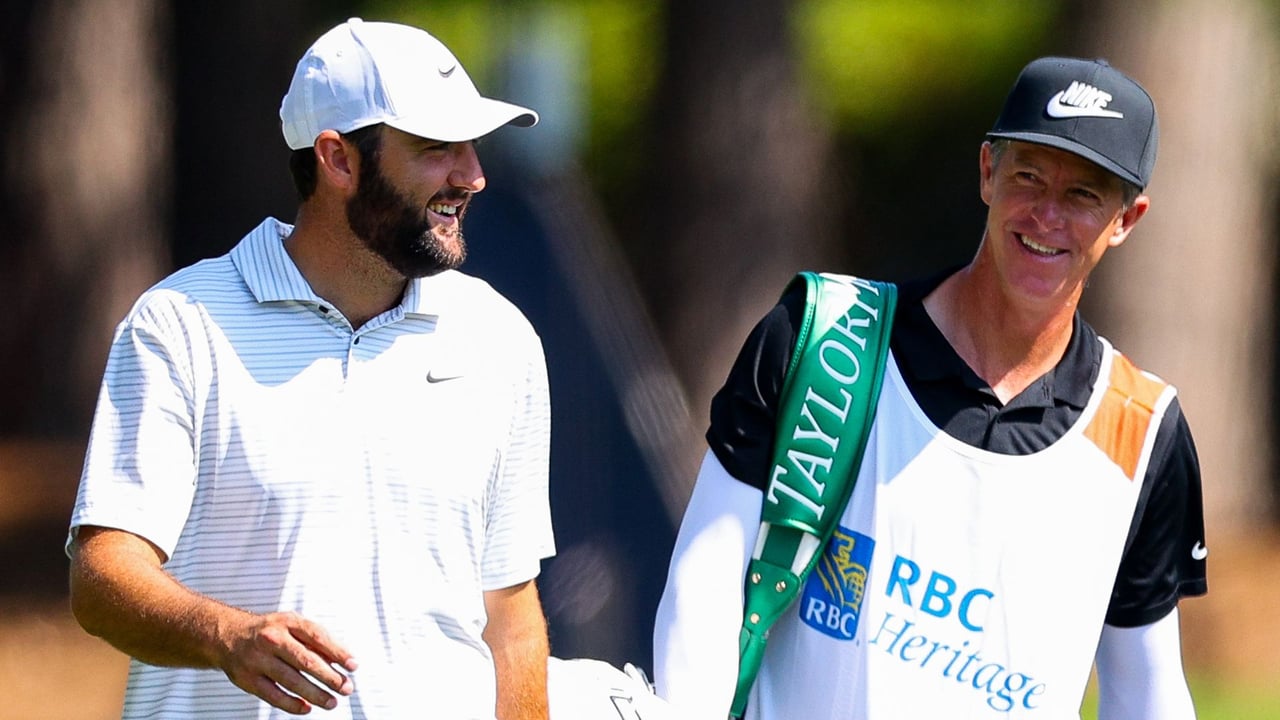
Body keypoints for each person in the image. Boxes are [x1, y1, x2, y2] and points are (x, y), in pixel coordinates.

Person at [652, 56, 1208, 720]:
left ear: (1127, 219)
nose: (1047, 215)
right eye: (1029, 176)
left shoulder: (1142, 431)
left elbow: (1145, 692)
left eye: (1084, 195)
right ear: (987, 171)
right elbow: (705, 583)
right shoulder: (825, 339)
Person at [67, 18, 555, 719]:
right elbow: (102, 577)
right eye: (437, 148)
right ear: (338, 160)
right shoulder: (179, 324)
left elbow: (511, 620)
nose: (472, 175)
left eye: (472, 146)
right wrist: (227, 637)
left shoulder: (499, 338)